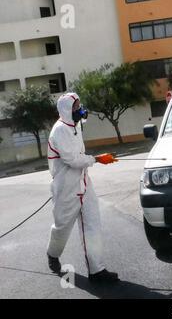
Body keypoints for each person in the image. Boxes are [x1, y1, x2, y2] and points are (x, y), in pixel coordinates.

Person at [46, 92, 119, 283]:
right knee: (62, 227)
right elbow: (72, 159)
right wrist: (97, 159)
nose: (79, 109)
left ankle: (96, 271)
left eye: (79, 106)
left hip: (84, 185)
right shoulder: (60, 130)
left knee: (92, 226)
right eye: (76, 107)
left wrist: (98, 158)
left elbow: (79, 155)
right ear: (66, 110)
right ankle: (52, 254)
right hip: (66, 189)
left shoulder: (74, 125)